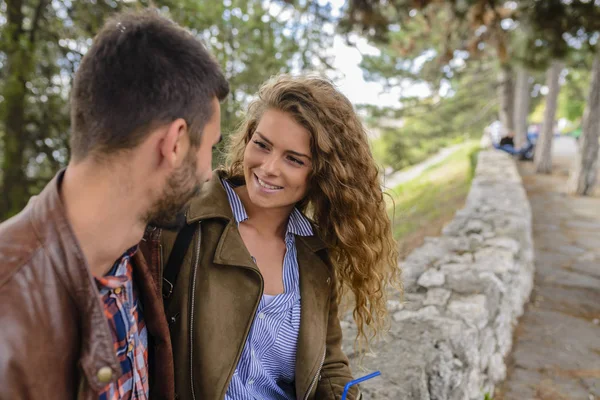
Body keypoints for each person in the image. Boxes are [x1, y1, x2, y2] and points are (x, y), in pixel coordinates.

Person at [0, 9, 228, 400]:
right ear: (174, 143)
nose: (209, 172)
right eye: (210, 147)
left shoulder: (135, 252)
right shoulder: (8, 303)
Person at [151, 75, 401, 400]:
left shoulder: (315, 254)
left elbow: (328, 364)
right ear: (249, 137)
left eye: (293, 159)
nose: (268, 168)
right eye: (262, 145)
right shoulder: (181, 221)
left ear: (321, 173)